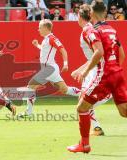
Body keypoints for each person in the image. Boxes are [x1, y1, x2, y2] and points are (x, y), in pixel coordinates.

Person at [67, 1, 127, 153]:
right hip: (117, 73)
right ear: (106, 12)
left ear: (91, 14)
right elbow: (122, 55)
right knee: (124, 112)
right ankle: (85, 143)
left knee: (81, 107)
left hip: (104, 75)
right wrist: (114, 71)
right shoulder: (111, 29)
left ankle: (84, 145)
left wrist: (86, 71)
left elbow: (98, 52)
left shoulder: (93, 30)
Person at [18, 19, 81, 118]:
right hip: (49, 69)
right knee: (64, 89)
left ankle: (28, 113)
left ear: (46, 28)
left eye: (40, 27)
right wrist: (37, 45)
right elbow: (45, 51)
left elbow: (63, 50)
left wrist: (65, 64)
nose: (38, 29)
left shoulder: (52, 38)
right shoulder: (46, 39)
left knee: (30, 87)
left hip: (49, 69)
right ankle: (85, 95)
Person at [72, 4, 110, 136]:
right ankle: (96, 128)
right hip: (94, 70)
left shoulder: (88, 30)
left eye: (77, 15)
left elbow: (98, 53)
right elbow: (93, 56)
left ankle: (86, 140)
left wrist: (85, 71)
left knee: (84, 104)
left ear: (80, 16)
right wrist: (80, 69)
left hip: (97, 71)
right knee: (83, 102)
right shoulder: (91, 29)